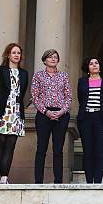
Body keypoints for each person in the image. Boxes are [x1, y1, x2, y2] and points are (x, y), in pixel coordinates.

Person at [0, 43, 28, 184]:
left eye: (18, 53)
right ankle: (3, 174)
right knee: (1, 142)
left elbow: (22, 93)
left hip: (15, 111)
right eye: (14, 52)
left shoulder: (24, 73)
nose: (16, 55)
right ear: (8, 55)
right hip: (1, 110)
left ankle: (4, 177)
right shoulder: (0, 70)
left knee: (11, 144)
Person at [31, 49, 72, 183]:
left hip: (61, 114)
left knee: (58, 149)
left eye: (55, 57)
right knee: (41, 148)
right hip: (44, 114)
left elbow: (69, 97)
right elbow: (35, 97)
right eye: (50, 57)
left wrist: (61, 111)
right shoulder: (38, 76)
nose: (53, 59)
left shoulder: (64, 76)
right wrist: (46, 112)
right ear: (44, 60)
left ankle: (58, 181)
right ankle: (38, 182)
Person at [77, 57, 103, 183]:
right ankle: (89, 181)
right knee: (88, 151)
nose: (94, 65)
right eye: (91, 64)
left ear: (100, 66)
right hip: (86, 118)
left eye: (96, 63)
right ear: (87, 68)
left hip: (101, 119)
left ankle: (98, 181)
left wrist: (102, 112)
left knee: (99, 150)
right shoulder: (82, 81)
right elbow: (80, 99)